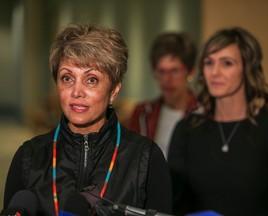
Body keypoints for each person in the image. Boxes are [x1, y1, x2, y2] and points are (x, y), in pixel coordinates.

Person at [3, 23, 173, 216]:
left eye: (91, 79)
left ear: (114, 90)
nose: (76, 92)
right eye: (67, 78)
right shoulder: (28, 158)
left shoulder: (146, 159)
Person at [168, 27, 268, 216]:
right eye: (209, 62)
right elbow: (175, 205)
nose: (214, 72)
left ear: (247, 68)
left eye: (227, 63)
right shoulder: (186, 130)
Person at [126, 32, 200, 159]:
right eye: (161, 71)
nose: (167, 79)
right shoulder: (143, 113)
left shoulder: (203, 113)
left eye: (174, 71)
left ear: (191, 72)